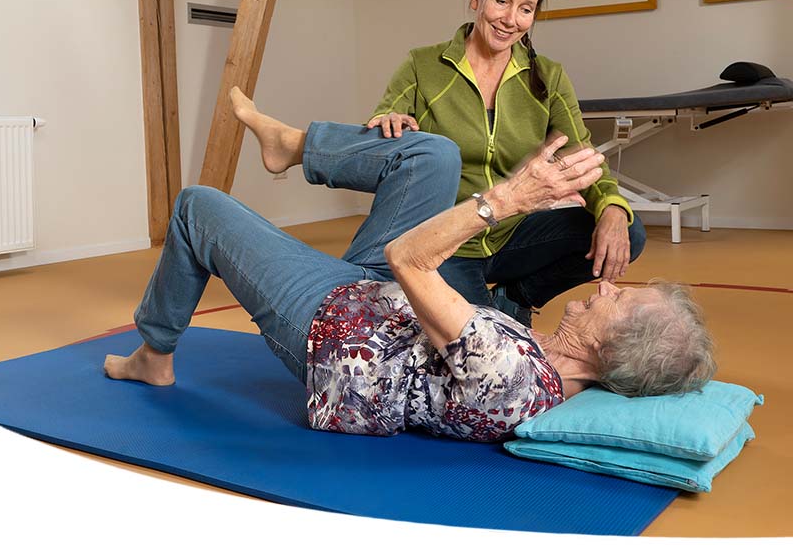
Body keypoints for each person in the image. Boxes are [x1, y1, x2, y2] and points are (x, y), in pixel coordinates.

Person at [103, 88, 715, 443]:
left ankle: (154, 354)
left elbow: (405, 258)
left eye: (621, 299)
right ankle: (292, 144)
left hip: (337, 330)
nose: (607, 286)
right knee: (433, 154)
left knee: (197, 207)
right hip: (383, 301)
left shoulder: (512, 374)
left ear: (611, 347)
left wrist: (509, 197)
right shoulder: (551, 364)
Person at [366, 0, 646, 326]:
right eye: (501, 1)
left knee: (629, 229)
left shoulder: (549, 75)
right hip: (449, 240)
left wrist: (612, 208)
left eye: (525, 9)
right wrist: (388, 123)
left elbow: (583, 154)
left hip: (513, 233)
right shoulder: (422, 65)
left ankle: (516, 296)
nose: (511, 20)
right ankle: (487, 308)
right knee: (485, 336)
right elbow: (384, 123)